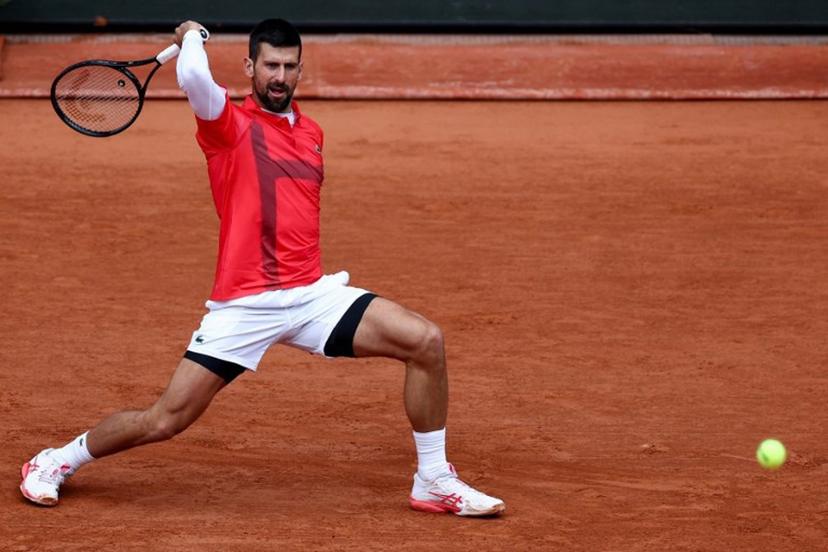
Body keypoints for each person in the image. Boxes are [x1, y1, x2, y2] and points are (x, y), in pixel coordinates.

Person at [20, 18, 504, 517]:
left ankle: (433, 479)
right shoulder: (228, 125)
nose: (279, 75)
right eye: (270, 65)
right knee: (166, 418)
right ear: (250, 67)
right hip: (246, 304)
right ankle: (57, 459)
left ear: (299, 70)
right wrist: (192, 36)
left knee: (425, 341)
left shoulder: (312, 133)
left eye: (289, 66)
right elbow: (192, 78)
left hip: (313, 296)